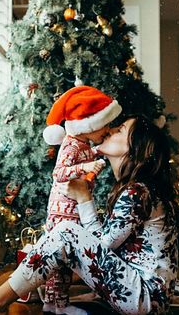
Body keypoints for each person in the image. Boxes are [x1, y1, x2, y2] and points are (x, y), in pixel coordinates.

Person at [0, 115, 178, 315]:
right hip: (142, 295)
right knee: (65, 237)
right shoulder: (138, 188)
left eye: (120, 130)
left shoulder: (138, 192)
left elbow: (103, 246)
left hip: (145, 299)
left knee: (67, 233)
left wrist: (84, 198)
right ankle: (24, 294)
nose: (109, 129)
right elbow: (105, 247)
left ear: (136, 148)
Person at [42, 85, 122, 314]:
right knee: (60, 257)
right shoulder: (70, 144)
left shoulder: (85, 145)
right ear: (89, 125)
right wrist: (86, 167)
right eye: (104, 125)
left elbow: (89, 164)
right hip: (63, 208)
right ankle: (59, 305)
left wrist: (93, 165)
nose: (107, 130)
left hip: (75, 205)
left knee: (64, 259)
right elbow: (59, 173)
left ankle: (54, 303)